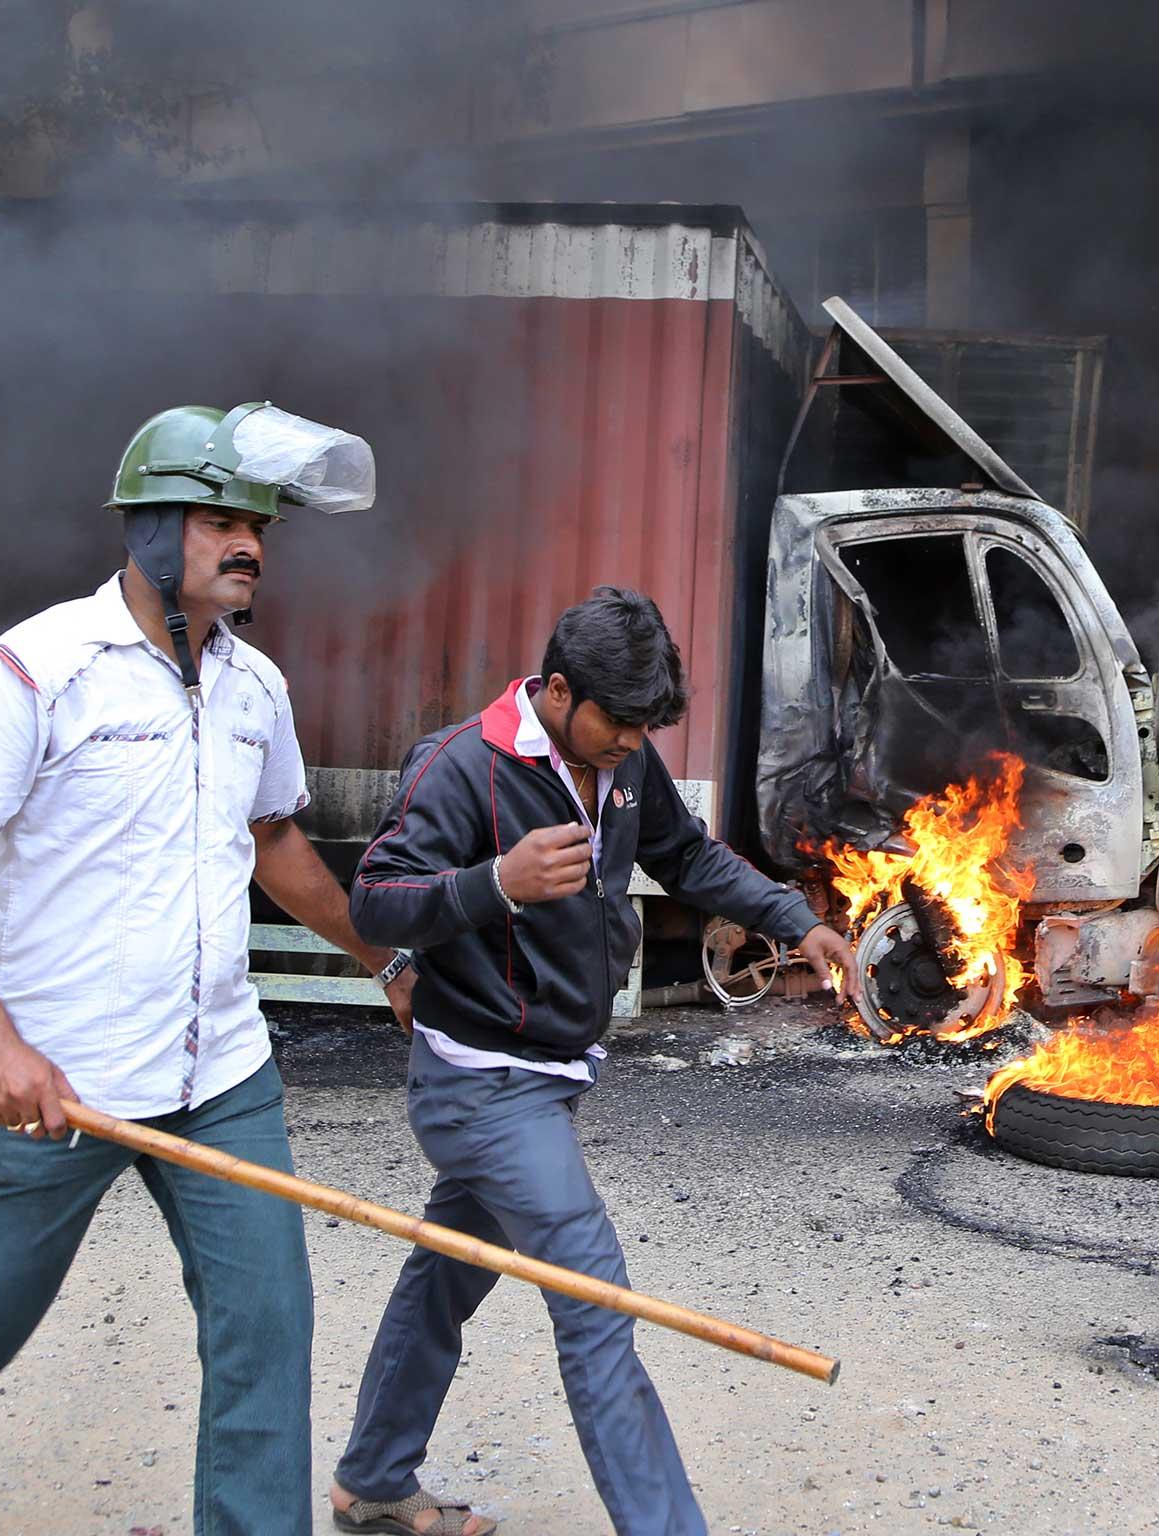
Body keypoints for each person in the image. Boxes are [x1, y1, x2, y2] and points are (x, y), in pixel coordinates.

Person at [0, 403, 411, 1536]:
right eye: (218, 518)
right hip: (53, 1082)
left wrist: (380, 956)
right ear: (152, 528)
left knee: (266, 1329)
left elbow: (275, 845)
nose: (248, 541)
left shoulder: (255, 687)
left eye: (257, 523)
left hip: (221, 1078)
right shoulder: (39, 667)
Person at [327, 587, 861, 1536]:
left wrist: (799, 921)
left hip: (550, 1074)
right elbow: (374, 903)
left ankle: (372, 1480)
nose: (630, 741)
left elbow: (689, 859)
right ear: (559, 688)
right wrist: (497, 882)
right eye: (618, 720)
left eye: (647, 724)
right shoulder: (461, 766)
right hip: (479, 1085)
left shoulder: (620, 762)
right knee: (595, 1301)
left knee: (448, 1273)